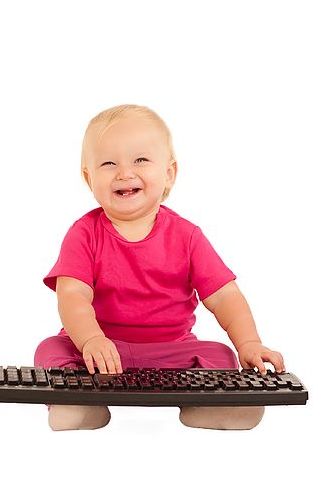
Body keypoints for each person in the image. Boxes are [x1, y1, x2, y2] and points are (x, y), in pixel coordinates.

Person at [34, 104, 285, 431]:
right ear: (88, 178)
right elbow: (72, 296)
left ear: (169, 173)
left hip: (172, 353)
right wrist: (91, 339)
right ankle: (80, 402)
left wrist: (249, 343)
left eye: (140, 160)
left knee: (220, 354)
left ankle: (206, 404)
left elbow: (225, 297)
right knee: (50, 349)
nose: (125, 173)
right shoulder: (83, 234)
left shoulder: (187, 236)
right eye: (109, 163)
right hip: (98, 353)